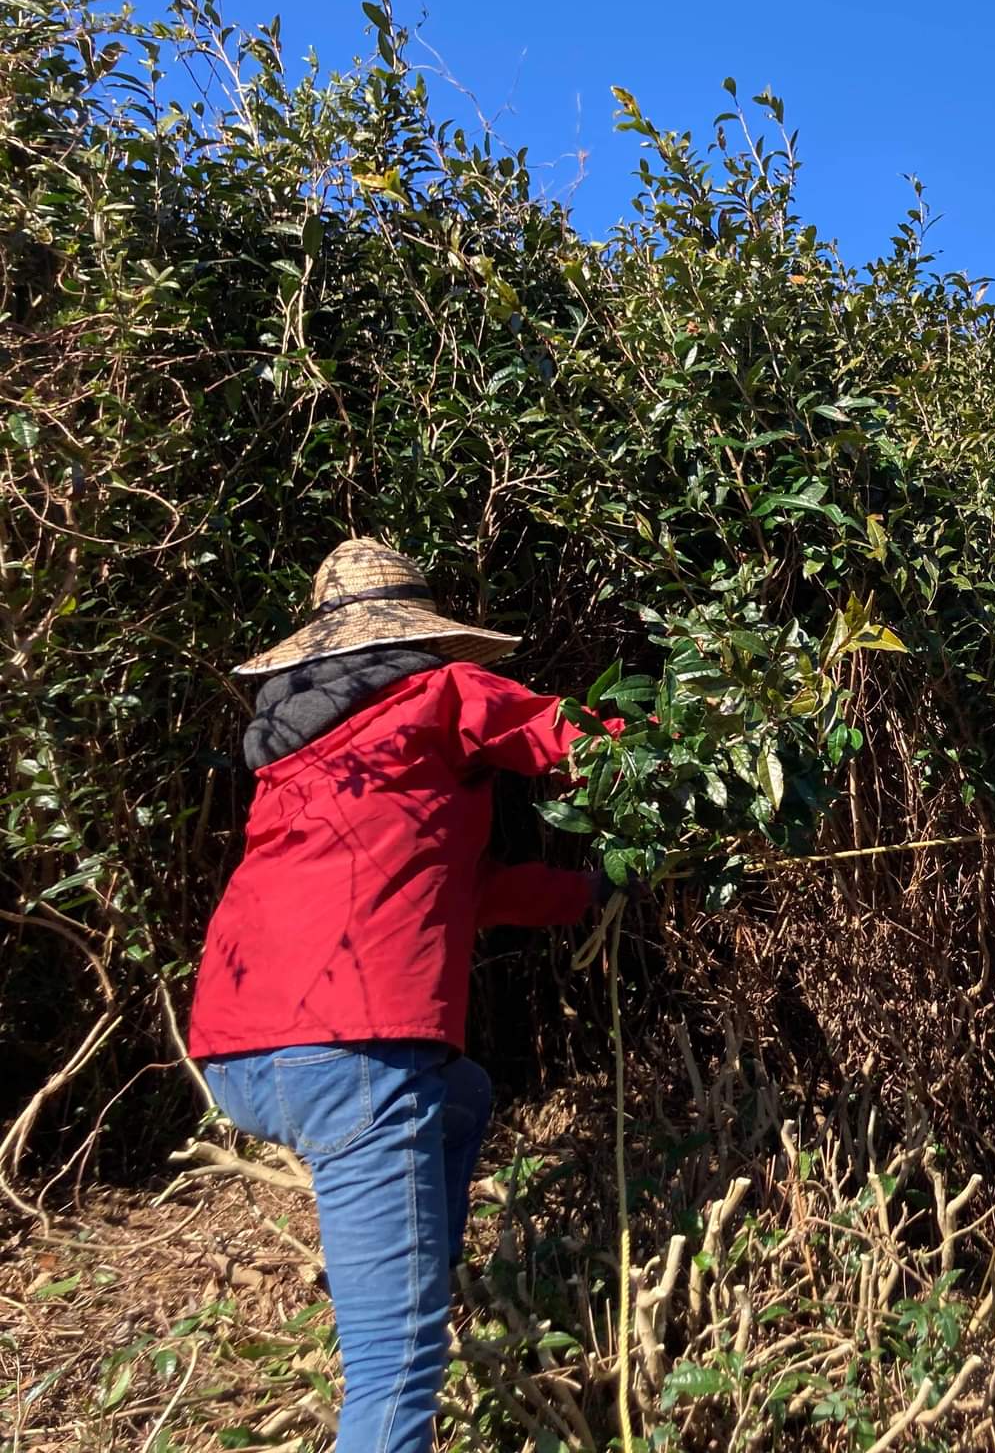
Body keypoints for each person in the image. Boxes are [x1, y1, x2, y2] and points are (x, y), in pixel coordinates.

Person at [186, 537, 619, 1453]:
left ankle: (408, 1254)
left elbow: (466, 887)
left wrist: (586, 895)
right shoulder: (444, 692)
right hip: (357, 1055)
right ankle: (399, 1286)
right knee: (395, 1372)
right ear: (415, 636)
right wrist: (680, 775)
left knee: (462, 1097)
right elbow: (585, 752)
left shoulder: (295, 760)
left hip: (235, 1054)